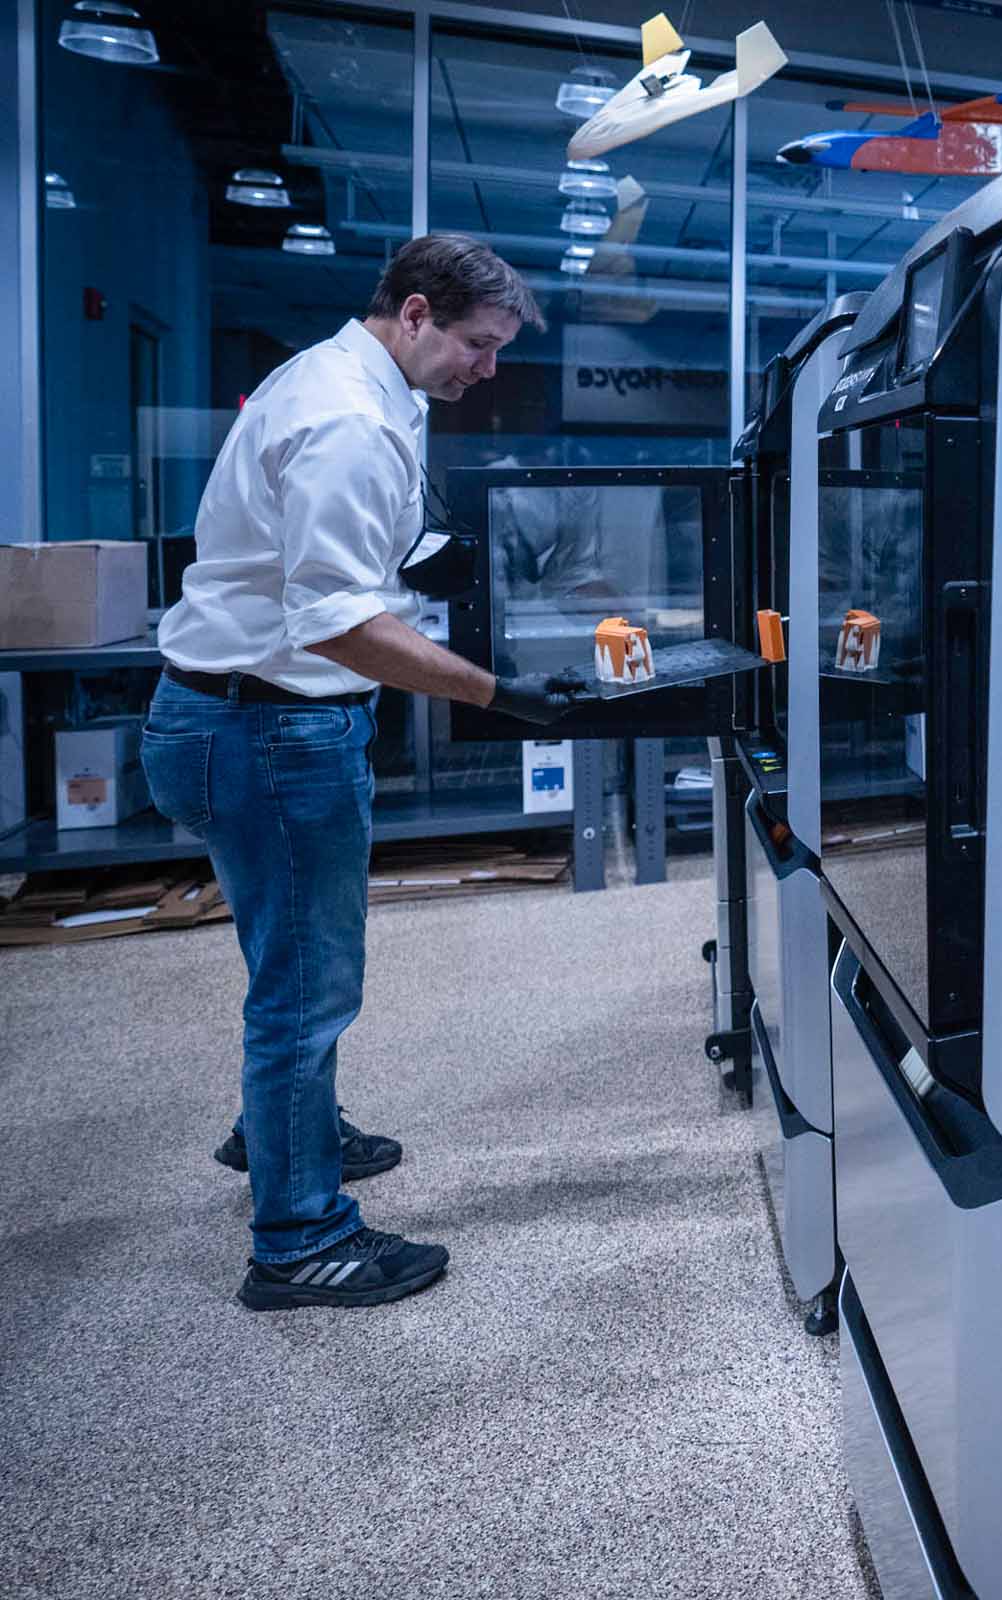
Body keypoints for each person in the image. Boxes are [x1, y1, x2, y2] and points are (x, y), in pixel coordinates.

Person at [144, 234, 584, 1312]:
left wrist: (445, 554)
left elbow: (355, 550)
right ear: (420, 312)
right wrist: (498, 694)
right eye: (480, 346)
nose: (489, 370)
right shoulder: (345, 413)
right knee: (306, 991)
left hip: (230, 716)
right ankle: (299, 1240)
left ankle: (281, 1132)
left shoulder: (357, 381)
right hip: (269, 732)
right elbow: (334, 618)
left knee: (285, 958)